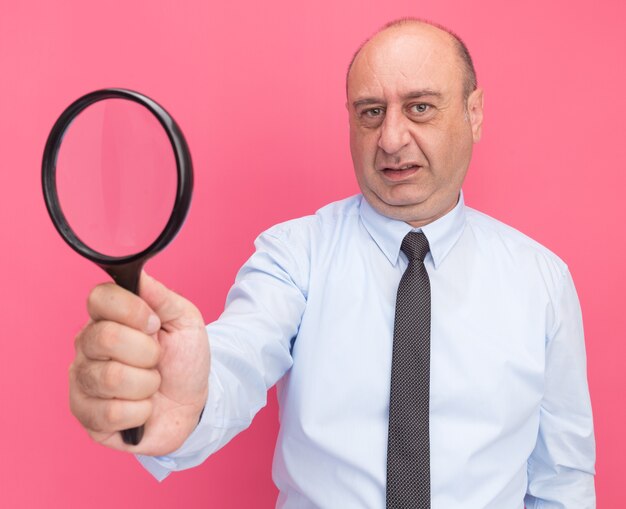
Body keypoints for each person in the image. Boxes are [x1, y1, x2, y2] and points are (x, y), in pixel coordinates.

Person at [69, 18, 596, 508]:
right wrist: (189, 401)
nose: (390, 139)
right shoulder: (294, 255)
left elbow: (562, 477)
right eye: (370, 112)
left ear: (473, 113)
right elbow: (240, 351)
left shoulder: (541, 280)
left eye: (420, 107)